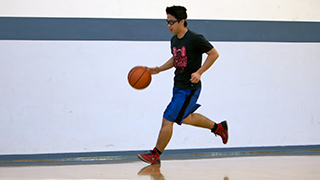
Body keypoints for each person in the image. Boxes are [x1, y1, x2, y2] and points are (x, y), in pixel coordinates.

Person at [137, 5, 228, 164]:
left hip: (189, 89)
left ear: (182, 21)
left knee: (168, 118)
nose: (169, 25)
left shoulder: (195, 38)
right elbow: (176, 58)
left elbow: (214, 54)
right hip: (178, 86)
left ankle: (155, 154)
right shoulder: (174, 40)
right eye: (167, 22)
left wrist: (199, 72)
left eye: (171, 22)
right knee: (186, 117)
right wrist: (158, 69)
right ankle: (218, 127)